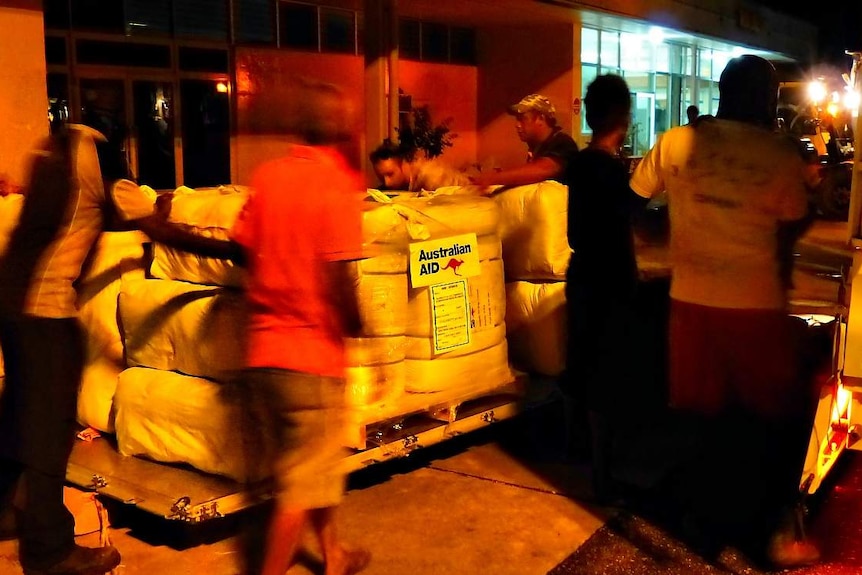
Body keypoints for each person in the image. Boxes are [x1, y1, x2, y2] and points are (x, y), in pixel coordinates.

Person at [0, 123, 238, 575]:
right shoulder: (102, 163)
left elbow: (93, 215)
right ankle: (49, 551)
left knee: (17, 417)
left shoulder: (53, 155)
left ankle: (4, 512)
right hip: (46, 308)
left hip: (10, 300)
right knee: (49, 433)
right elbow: (161, 233)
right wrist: (231, 251)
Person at [629, 55, 819, 568]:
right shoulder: (779, 155)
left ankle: (701, 524)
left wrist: (673, 237)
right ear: (767, 99)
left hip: (690, 301)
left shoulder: (677, 141)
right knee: (779, 415)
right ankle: (777, 531)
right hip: (753, 304)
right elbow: (791, 228)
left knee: (701, 418)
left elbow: (635, 205)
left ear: (720, 89)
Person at [229, 79, 370, 575]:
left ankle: (334, 555)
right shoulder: (338, 184)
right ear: (339, 128)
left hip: (263, 356)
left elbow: (242, 247)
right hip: (312, 357)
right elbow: (338, 276)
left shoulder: (268, 177)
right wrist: (359, 330)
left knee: (314, 470)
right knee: (299, 486)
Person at [563, 74, 645, 503]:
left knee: (583, 368)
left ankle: (578, 453)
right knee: (605, 379)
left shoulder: (579, 164)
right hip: (607, 282)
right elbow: (624, 229)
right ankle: (602, 476)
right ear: (620, 117)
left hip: (582, 275)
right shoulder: (609, 172)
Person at [470, 93, 579, 190]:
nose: (517, 125)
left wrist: (493, 178)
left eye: (522, 119)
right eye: (517, 119)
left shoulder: (563, 143)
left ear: (540, 118)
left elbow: (542, 169)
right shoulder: (537, 147)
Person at [369, 140, 468, 192]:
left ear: (404, 164)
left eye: (390, 174)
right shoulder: (395, 185)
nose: (387, 183)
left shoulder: (431, 178)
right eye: (381, 178)